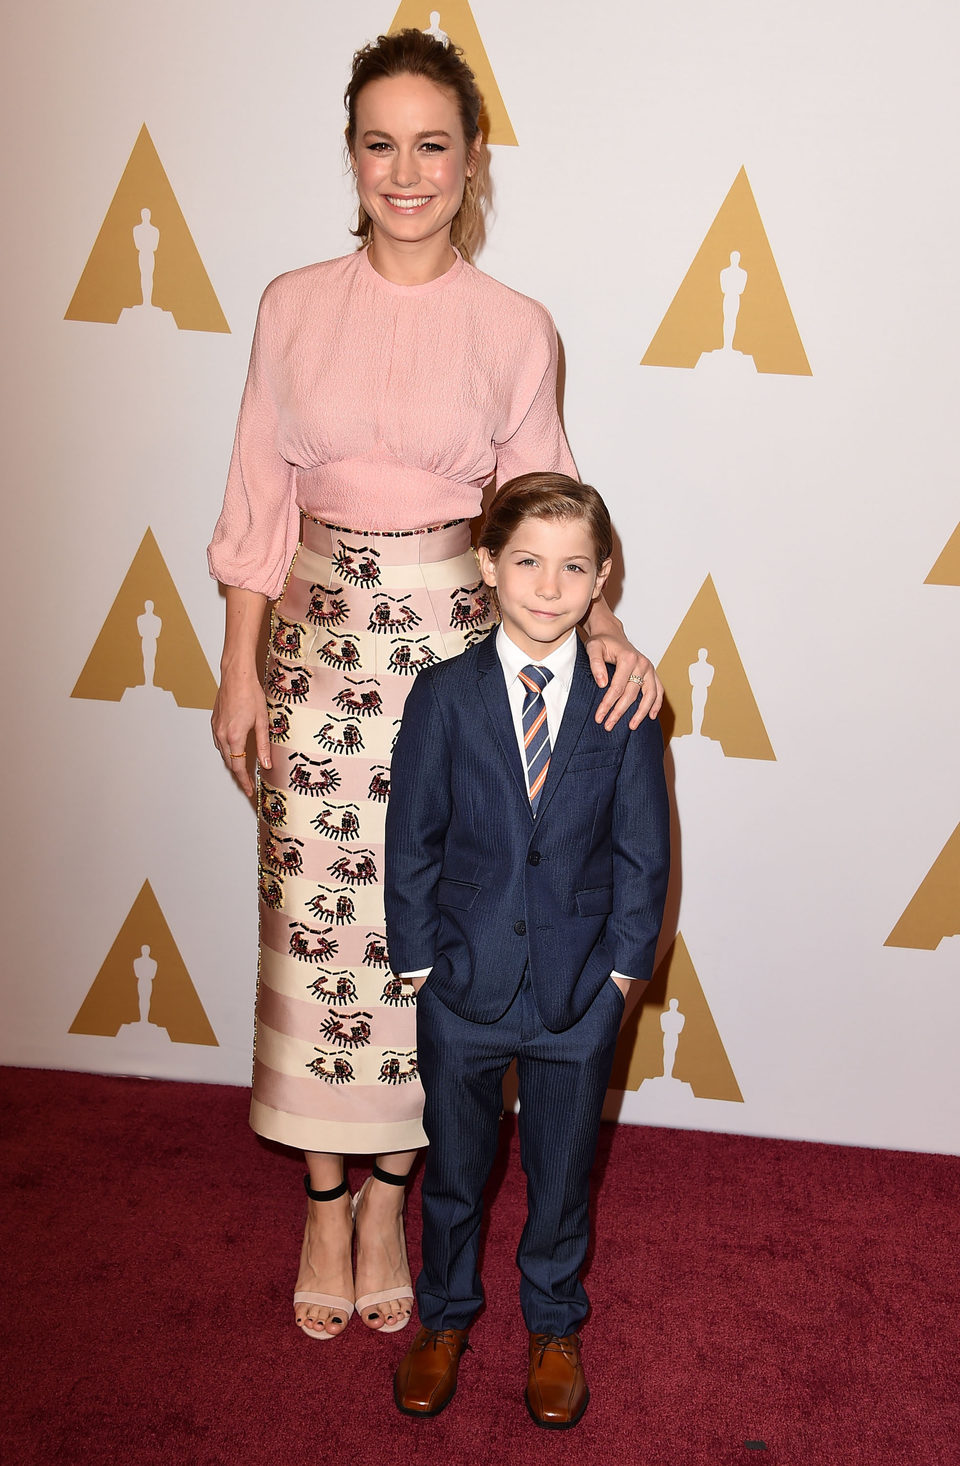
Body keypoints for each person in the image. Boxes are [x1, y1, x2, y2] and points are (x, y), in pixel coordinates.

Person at [207, 29, 662, 1345]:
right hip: (316, 656)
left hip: (461, 670)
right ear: (352, 155)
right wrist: (238, 671)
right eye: (379, 142)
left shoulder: (515, 327)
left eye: (434, 145)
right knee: (321, 932)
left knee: (445, 930)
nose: (405, 170)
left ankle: (396, 1193)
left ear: (471, 166)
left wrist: (609, 634)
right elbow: (256, 501)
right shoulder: (293, 303)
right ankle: (322, 1196)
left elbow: (544, 505)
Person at [385, 473, 671, 1426]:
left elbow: (643, 851)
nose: (549, 587)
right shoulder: (443, 696)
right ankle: (446, 1317)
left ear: (602, 582)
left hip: (575, 993)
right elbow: (412, 839)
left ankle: (554, 1322)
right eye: (529, 563)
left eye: (573, 568)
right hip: (462, 986)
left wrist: (622, 976)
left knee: (561, 1175)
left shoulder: (622, 698)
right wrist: (422, 968)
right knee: (456, 1171)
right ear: (488, 567)